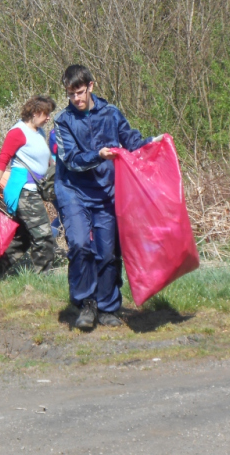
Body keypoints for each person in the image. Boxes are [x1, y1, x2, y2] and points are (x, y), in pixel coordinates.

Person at [53, 65, 163, 330]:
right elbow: (71, 160)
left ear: (91, 86)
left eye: (79, 92)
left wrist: (155, 143)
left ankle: (108, 306)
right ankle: (86, 303)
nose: (76, 99)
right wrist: (98, 155)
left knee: (108, 252)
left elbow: (131, 141)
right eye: (70, 94)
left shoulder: (111, 114)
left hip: (106, 191)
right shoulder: (62, 121)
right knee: (80, 244)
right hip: (72, 190)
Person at [0, 95, 58, 276]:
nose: (48, 117)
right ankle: (44, 277)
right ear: (34, 112)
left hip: (33, 190)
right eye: (45, 113)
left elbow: (48, 160)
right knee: (43, 235)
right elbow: (2, 161)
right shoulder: (18, 132)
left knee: (22, 239)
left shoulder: (39, 132)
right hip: (22, 190)